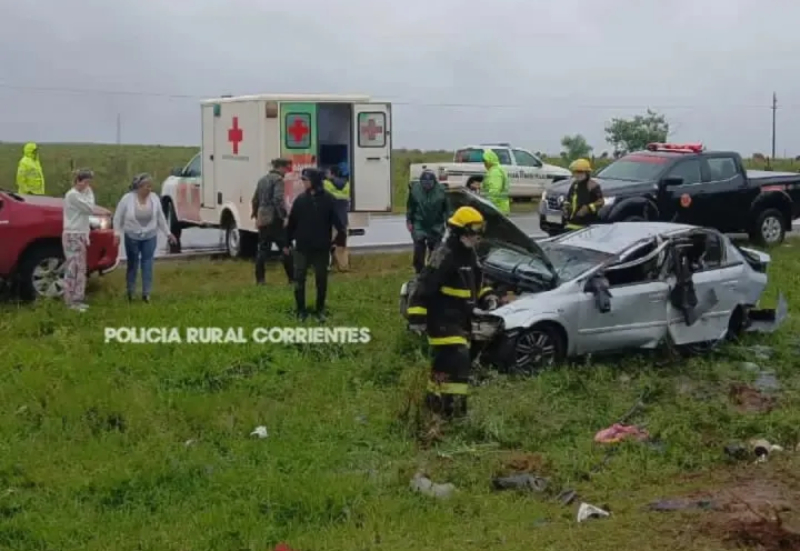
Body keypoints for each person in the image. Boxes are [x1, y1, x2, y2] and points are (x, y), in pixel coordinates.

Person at [406, 206, 498, 421]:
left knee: (447, 365)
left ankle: (438, 403)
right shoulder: (444, 255)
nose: (478, 236)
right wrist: (417, 318)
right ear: (460, 231)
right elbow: (423, 286)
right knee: (457, 358)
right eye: (474, 231)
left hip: (460, 320)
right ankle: (452, 409)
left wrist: (488, 296)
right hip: (441, 319)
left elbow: (477, 283)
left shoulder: (470, 255)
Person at [285, 168, 346, 322]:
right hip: (302, 247)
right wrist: (286, 242)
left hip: (321, 248)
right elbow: (292, 223)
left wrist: (338, 242)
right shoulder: (300, 201)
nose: (304, 183)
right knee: (299, 279)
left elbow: (339, 224)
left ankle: (320, 310)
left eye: (306, 180)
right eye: (303, 180)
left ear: (315, 181)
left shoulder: (329, 200)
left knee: (321, 280)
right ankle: (301, 311)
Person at [113, 173, 177, 302]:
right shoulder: (127, 199)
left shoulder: (154, 198)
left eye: (150, 186)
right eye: (147, 186)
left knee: (147, 263)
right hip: (132, 235)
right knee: (133, 264)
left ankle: (146, 293)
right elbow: (117, 217)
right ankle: (131, 292)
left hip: (150, 235)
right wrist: (117, 234)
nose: (149, 189)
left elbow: (160, 218)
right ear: (139, 187)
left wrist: (168, 233)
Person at [252, 158, 294, 285]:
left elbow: (255, 199)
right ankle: (292, 278)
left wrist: (256, 214)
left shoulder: (262, 180)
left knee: (262, 249)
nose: (286, 171)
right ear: (280, 167)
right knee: (285, 248)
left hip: (263, 218)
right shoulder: (278, 180)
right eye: (286, 168)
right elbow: (278, 200)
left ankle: (260, 279)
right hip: (275, 219)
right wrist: (284, 216)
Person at [62, 170, 97, 311]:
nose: (87, 186)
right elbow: (89, 208)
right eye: (85, 182)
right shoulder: (73, 195)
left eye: (89, 183)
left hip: (80, 234)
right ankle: (70, 300)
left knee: (81, 269)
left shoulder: (81, 195)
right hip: (73, 234)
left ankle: (77, 298)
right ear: (77, 181)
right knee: (73, 268)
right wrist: (90, 193)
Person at [406, 169, 448, 274]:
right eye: (424, 183)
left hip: (436, 223)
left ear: (434, 182)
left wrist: (448, 222)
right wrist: (409, 221)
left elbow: (447, 209)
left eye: (429, 183)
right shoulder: (415, 190)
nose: (427, 186)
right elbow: (410, 207)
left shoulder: (442, 191)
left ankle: (432, 271)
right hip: (419, 222)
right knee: (419, 245)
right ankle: (419, 270)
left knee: (435, 249)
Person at [562, 158, 604, 231]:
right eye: (575, 172)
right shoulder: (575, 184)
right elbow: (569, 199)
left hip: (586, 224)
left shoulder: (593, 186)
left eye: (580, 172)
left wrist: (588, 208)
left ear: (587, 173)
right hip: (572, 222)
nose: (577, 174)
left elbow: (600, 202)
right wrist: (566, 206)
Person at [323, 163, 351, 271]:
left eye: (327, 172)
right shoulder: (347, 184)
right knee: (341, 244)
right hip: (343, 218)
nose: (326, 174)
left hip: (331, 219)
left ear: (332, 174)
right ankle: (344, 266)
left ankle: (327, 265)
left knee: (327, 243)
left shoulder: (325, 183)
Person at [480, 149, 510, 214]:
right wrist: (480, 186)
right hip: (500, 207)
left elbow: (494, 191)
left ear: (490, 160)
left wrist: (488, 206)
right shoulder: (496, 169)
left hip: (497, 209)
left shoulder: (495, 172)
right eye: (484, 161)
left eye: (486, 161)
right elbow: (490, 186)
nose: (484, 163)